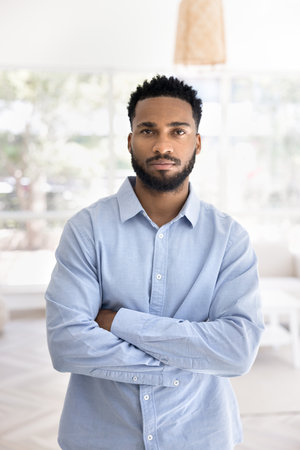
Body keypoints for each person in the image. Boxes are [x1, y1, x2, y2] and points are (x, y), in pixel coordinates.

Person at [46, 75, 264, 450]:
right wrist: (185, 360)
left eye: (177, 131)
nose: (163, 145)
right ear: (130, 141)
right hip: (100, 438)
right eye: (148, 130)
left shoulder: (229, 239)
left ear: (197, 142)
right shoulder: (87, 229)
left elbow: (237, 350)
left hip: (201, 436)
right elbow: (67, 343)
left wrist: (118, 322)